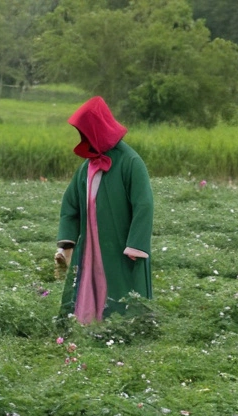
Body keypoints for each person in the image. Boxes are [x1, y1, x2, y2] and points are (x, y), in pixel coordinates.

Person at [55, 96, 153, 324]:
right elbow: (70, 204)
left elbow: (144, 204)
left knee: (121, 291)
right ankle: (87, 323)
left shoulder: (131, 162)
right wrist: (65, 244)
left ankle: (121, 329)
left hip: (120, 246)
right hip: (90, 245)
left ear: (98, 130)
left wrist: (136, 245)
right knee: (88, 282)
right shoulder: (86, 168)